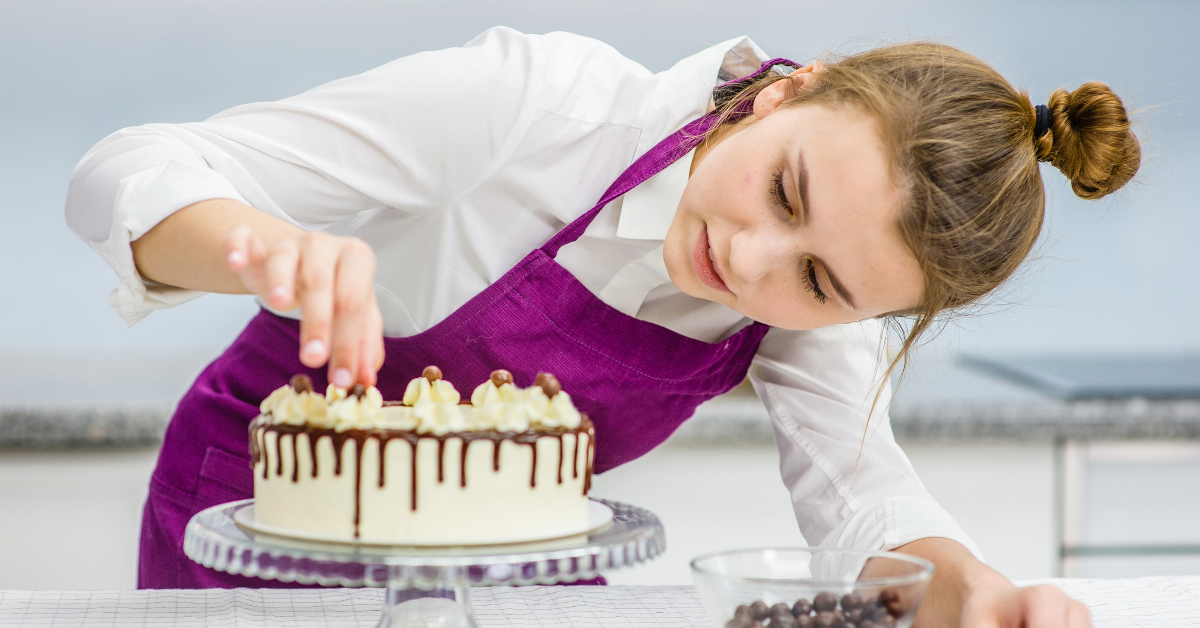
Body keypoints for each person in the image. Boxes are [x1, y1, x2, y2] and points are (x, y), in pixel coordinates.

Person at [66, 26, 1139, 627]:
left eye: (818, 282)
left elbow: (862, 497)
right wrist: (261, 245)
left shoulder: (824, 295)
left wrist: (971, 595)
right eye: (784, 191)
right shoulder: (536, 107)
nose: (752, 261)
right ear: (783, 93)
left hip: (501, 589)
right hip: (255, 537)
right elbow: (124, 169)